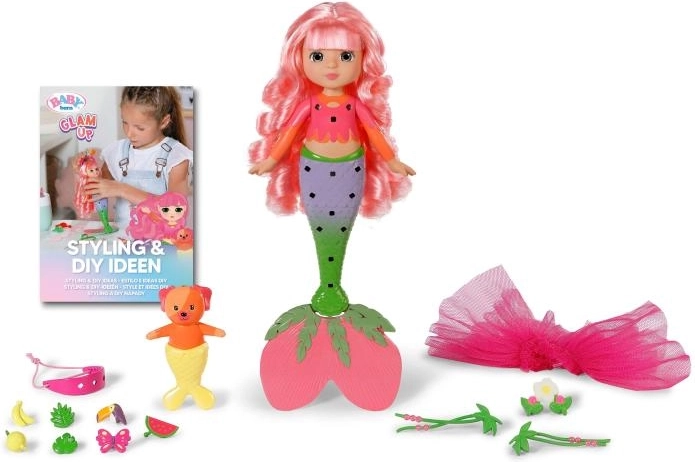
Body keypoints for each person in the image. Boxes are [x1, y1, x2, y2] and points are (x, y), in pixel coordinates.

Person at [249, 2, 415, 316]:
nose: (332, 65)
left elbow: (375, 134)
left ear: (363, 59)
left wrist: (393, 161)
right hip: (314, 170)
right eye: (318, 56)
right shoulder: (309, 104)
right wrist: (270, 160)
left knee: (339, 228)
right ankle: (328, 286)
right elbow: (289, 133)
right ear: (299, 59)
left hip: (351, 170)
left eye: (346, 56)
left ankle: (332, 286)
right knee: (323, 228)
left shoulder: (355, 105)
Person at [85, 87, 192, 227]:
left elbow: (176, 210)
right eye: (125, 122)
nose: (129, 133)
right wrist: (85, 170)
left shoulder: (176, 157)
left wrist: (122, 189)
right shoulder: (117, 152)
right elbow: (97, 188)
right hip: (123, 237)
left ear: (164, 122)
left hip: (161, 239)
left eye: (139, 128)